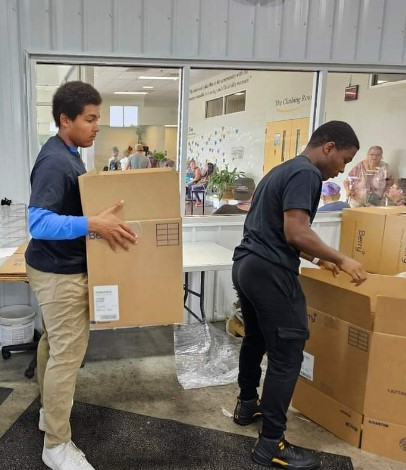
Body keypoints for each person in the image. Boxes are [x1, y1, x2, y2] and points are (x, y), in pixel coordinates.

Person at [232, 121, 367, 469]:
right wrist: (342, 257)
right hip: (271, 272)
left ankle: (248, 404)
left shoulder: (282, 169)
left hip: (247, 264)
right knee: (288, 355)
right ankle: (271, 445)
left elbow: (279, 229)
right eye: (344, 159)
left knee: (257, 339)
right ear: (328, 147)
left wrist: (318, 256)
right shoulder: (307, 174)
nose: (344, 167)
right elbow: (296, 231)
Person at [25, 81, 137, 470]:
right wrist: (93, 223)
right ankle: (56, 445)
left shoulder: (69, 153)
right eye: (89, 119)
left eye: (98, 119)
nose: (96, 126)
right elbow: (38, 223)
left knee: (54, 345)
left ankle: (46, 415)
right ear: (65, 119)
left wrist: (93, 222)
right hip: (58, 273)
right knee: (67, 356)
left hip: (55, 266)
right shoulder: (56, 161)